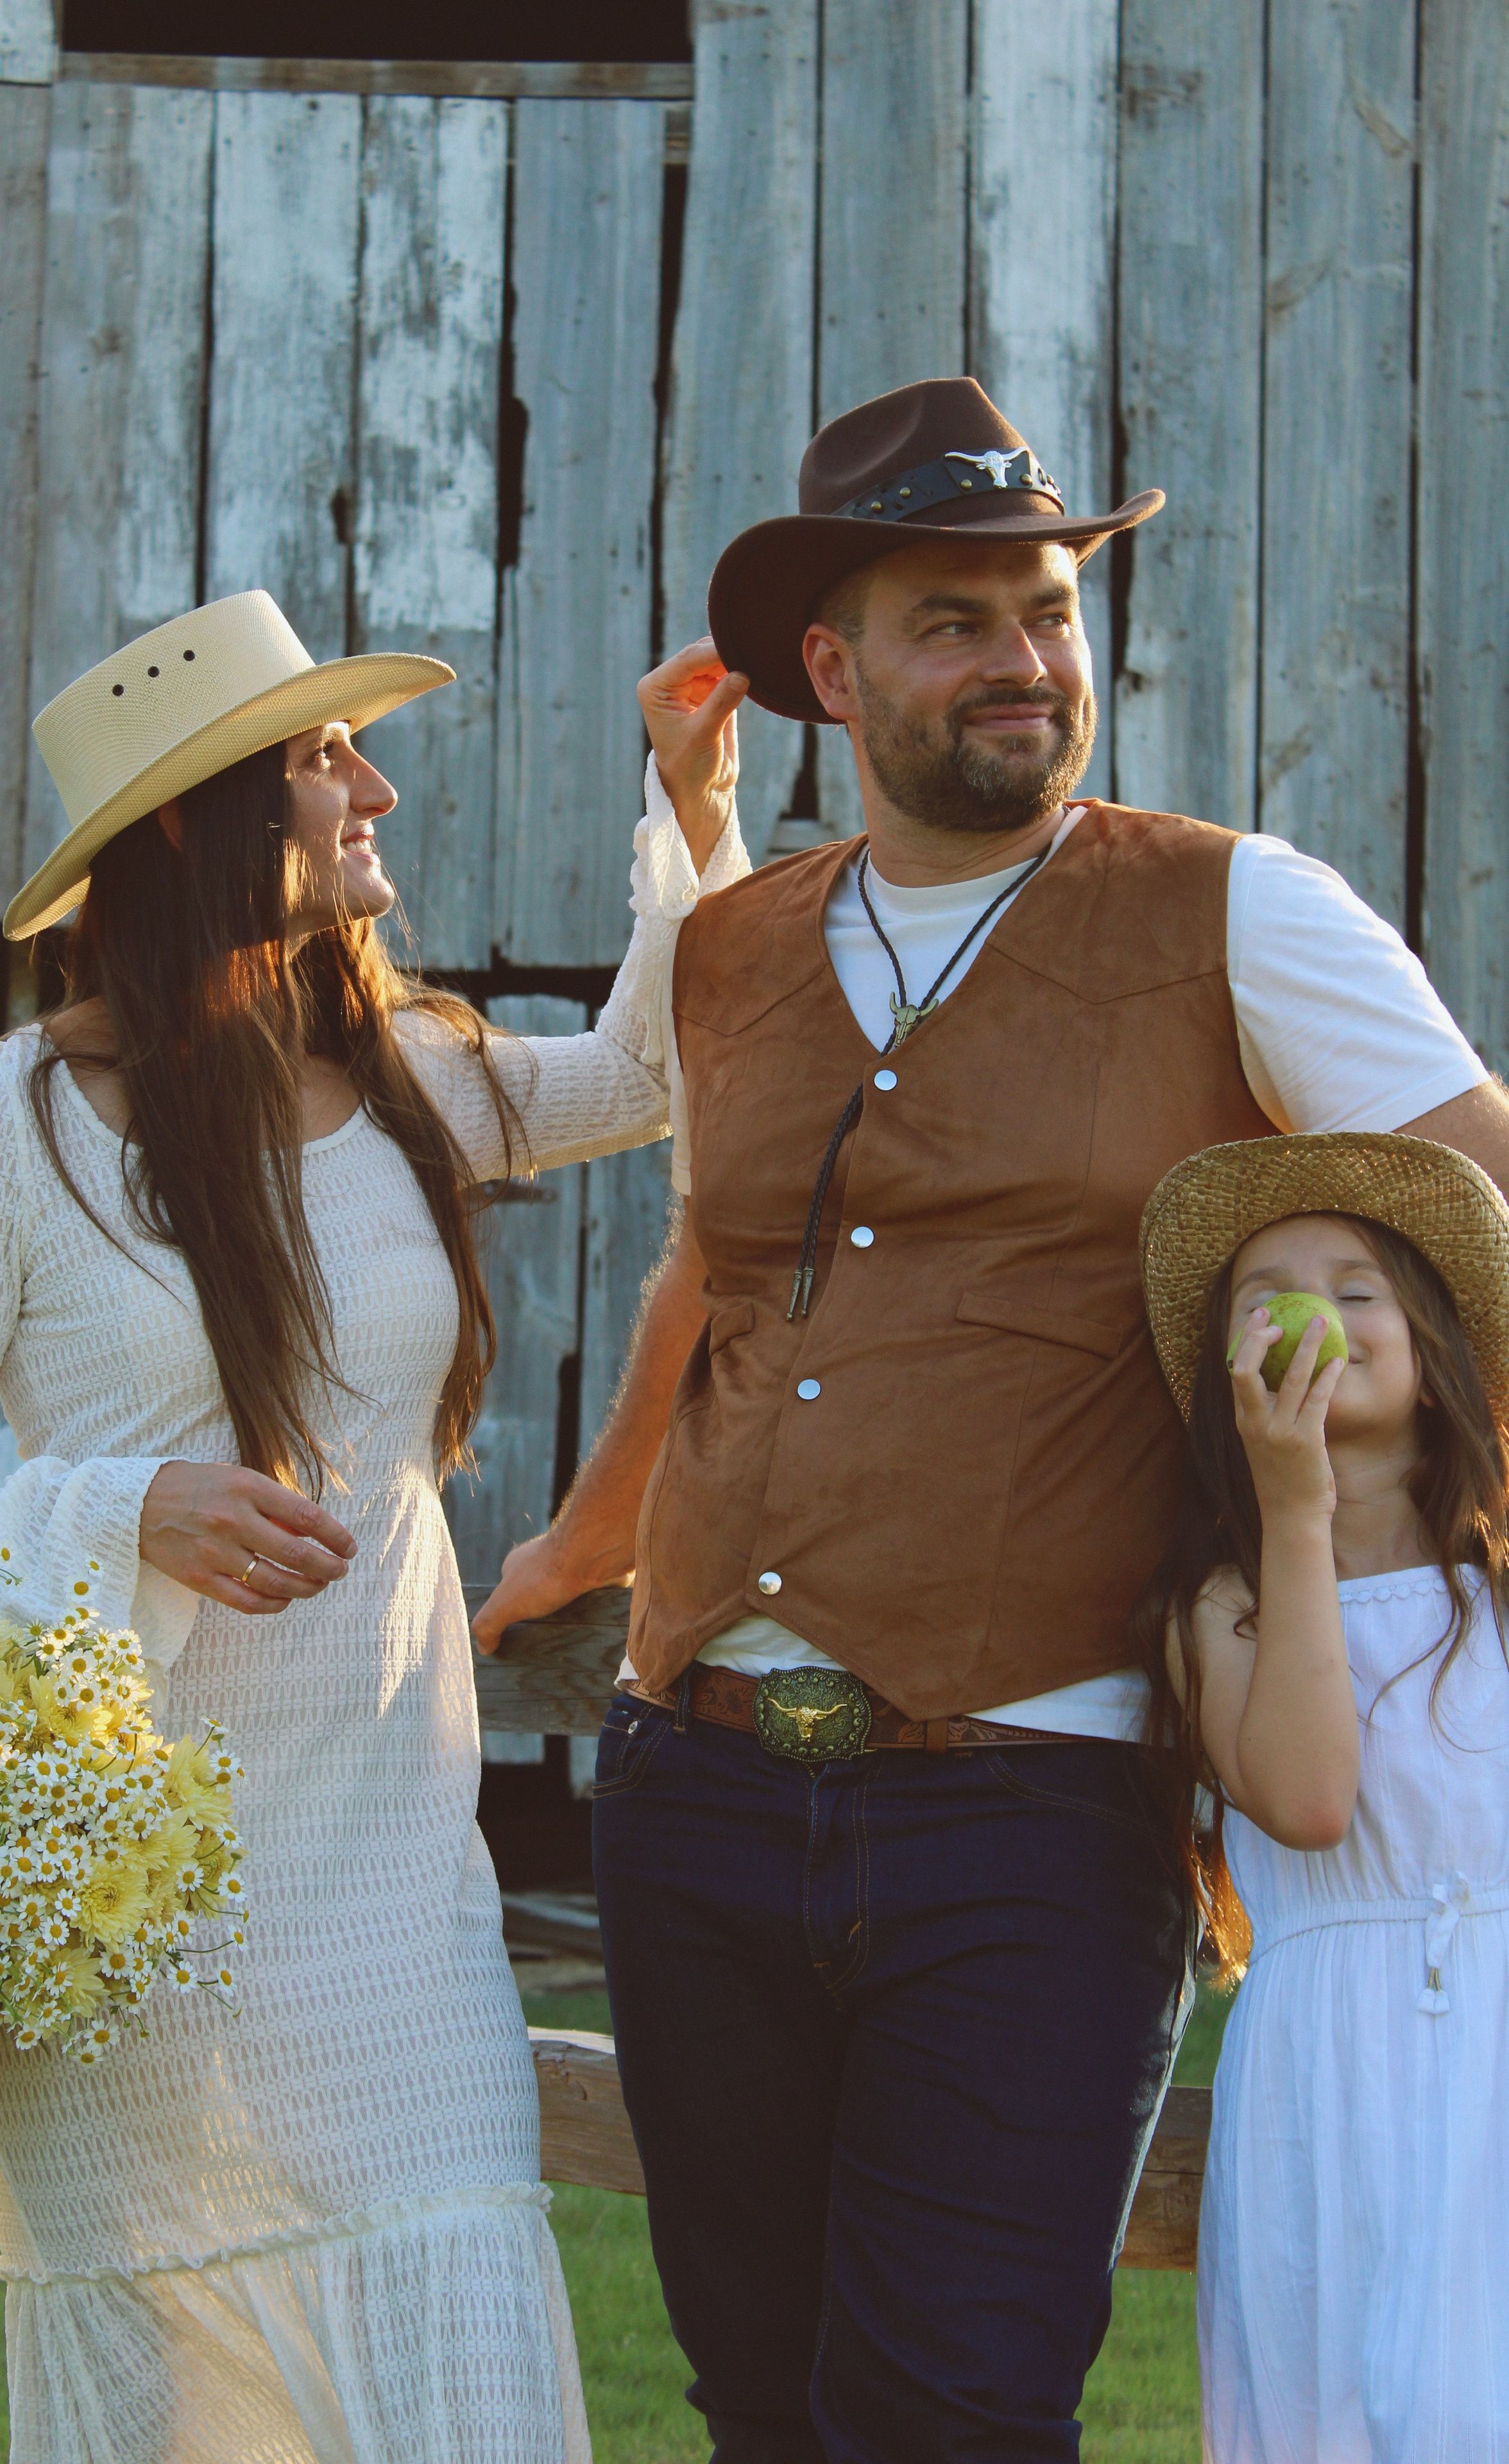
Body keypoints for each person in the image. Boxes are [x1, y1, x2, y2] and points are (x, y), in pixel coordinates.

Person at [473, 378, 1509, 2461]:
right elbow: (716, 1279)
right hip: (696, 1787)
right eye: (956, 620)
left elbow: (1478, 1224)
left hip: (1036, 1809)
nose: (1024, 660)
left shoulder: (1236, 910)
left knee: (946, 2416)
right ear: (837, 672)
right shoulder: (739, 951)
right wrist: (575, 1559)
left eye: (1044, 610)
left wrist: (1411, 1607)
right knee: (760, 2404)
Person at [0, 589, 744, 2464]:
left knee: (456, 2327)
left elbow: (666, 1080)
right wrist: (117, 1508)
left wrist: (689, 813)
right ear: (192, 818)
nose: (380, 791)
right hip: (122, 1900)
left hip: (392, 1887)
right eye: (326, 757)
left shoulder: (413, 1078)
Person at [1135, 1133, 1509, 2463]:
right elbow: (1303, 1799)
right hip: (1330, 2067)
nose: (1316, 1311)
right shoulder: (1222, 1608)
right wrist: (1293, 1514)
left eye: (1355, 1286)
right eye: (1267, 1294)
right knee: (1340, 2406)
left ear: (1431, 1350)